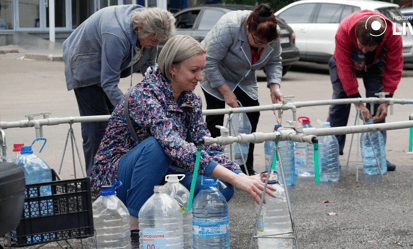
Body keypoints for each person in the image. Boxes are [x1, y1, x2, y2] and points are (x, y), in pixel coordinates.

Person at [90, 35, 276, 247]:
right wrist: (235, 177)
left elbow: (206, 146)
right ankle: (135, 228)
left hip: (161, 171)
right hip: (116, 179)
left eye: (202, 70)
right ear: (173, 68)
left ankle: (177, 223)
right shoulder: (144, 94)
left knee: (220, 187)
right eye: (194, 70)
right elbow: (173, 145)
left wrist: (240, 176)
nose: (200, 77)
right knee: (157, 146)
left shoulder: (191, 99)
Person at [62, 5, 175, 175]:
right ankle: (95, 181)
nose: (155, 45)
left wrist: (163, 96)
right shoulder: (116, 34)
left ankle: (114, 173)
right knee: (98, 126)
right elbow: (108, 82)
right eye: (154, 40)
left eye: (159, 41)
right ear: (141, 29)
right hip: (84, 64)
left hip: (106, 67)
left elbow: (150, 68)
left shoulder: (150, 30)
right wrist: (131, 109)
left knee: (117, 124)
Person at [200, 4, 284, 176]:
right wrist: (226, 92)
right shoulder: (230, 25)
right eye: (258, 42)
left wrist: (274, 86)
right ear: (248, 29)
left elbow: (275, 61)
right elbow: (209, 62)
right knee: (216, 119)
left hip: (244, 78)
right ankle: (213, 169)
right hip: (217, 73)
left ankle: (245, 166)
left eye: (265, 44)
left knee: (252, 115)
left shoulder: (273, 33)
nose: (261, 48)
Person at [327, 10, 403, 171]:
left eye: (370, 47)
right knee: (341, 101)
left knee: (377, 104)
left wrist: (386, 100)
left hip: (376, 63)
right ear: (356, 37)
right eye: (362, 46)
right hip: (345, 61)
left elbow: (394, 66)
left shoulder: (392, 34)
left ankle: (377, 155)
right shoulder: (344, 30)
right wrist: (357, 102)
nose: (365, 51)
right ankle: (332, 155)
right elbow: (344, 68)